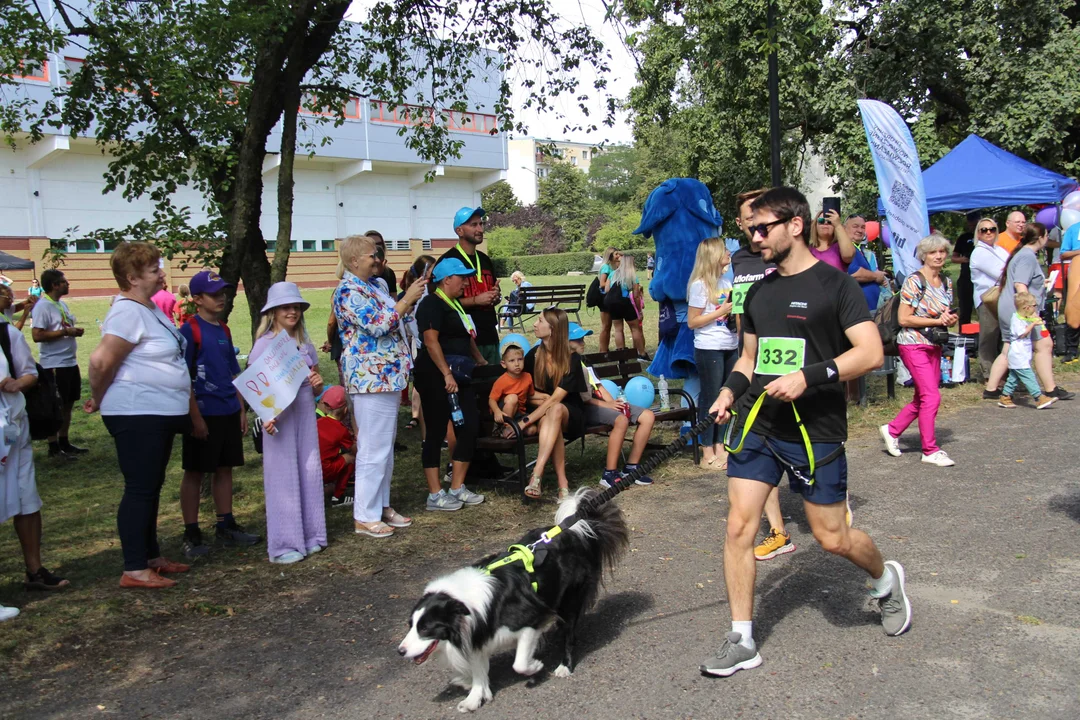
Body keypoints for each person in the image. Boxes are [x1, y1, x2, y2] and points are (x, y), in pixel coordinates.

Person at [701, 187, 909, 678]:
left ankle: (884, 581)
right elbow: (749, 360)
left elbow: (870, 352)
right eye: (750, 229)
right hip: (760, 424)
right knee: (739, 526)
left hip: (815, 429)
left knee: (832, 537)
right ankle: (742, 638)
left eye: (762, 227)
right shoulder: (757, 290)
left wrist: (809, 376)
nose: (753, 236)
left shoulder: (836, 286)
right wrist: (730, 391)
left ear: (795, 225)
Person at [86, 242, 193, 589]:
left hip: (157, 412)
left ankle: (150, 556)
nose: (162, 274)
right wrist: (98, 397)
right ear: (131, 278)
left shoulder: (149, 307)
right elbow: (101, 362)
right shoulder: (127, 312)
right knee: (140, 488)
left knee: (151, 486)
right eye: (153, 270)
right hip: (136, 412)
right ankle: (134, 568)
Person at [333, 235, 427, 536]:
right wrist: (406, 299)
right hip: (368, 379)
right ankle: (364, 515)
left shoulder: (376, 286)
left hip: (388, 375)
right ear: (353, 261)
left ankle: (381, 505)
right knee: (373, 449)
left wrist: (409, 304)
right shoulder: (347, 291)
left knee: (384, 449)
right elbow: (379, 323)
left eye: (377, 254)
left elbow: (398, 320)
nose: (377, 258)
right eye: (371, 255)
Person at [177, 270, 259, 558]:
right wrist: (195, 417)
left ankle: (226, 524)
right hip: (203, 411)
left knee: (225, 468)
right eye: (214, 294)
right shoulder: (190, 330)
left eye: (223, 292)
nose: (221, 298)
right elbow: (182, 377)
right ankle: (191, 532)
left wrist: (240, 408)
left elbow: (232, 371)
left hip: (227, 409)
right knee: (196, 471)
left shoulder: (223, 329)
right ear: (197, 299)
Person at [731, 188, 794, 562]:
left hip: (797, 371)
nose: (756, 225)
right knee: (759, 452)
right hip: (753, 369)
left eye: (761, 216)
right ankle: (779, 531)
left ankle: (834, 507)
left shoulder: (788, 257)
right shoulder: (739, 260)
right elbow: (744, 315)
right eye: (748, 218)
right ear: (741, 223)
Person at [1, 298, 70, 602]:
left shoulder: (7, 334)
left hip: (13, 431)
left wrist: (18, 384)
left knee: (27, 499)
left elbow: (30, 373)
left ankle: (35, 570)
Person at [252, 282, 326, 564]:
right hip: (280, 418)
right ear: (273, 312)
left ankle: (311, 535)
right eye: (286, 307)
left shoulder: (305, 344)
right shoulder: (264, 345)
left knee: (309, 470)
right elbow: (257, 389)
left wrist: (318, 384)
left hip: (305, 412)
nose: (292, 312)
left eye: (295, 307)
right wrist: (266, 417)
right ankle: (283, 544)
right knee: (282, 477)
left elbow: (315, 382)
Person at [413, 258, 487, 512]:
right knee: (435, 431)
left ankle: (457, 487)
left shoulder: (455, 304)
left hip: (461, 373)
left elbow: (466, 336)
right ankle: (435, 494)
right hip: (435, 374)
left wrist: (479, 360)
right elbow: (431, 341)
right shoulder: (431, 304)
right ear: (446, 280)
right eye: (462, 277)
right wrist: (446, 374)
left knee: (469, 426)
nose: (466, 282)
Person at [879, 234, 959, 468]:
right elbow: (904, 318)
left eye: (942, 252)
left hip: (934, 343)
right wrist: (936, 321)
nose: (939, 256)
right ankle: (930, 449)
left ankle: (892, 429)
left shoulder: (946, 281)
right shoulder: (914, 281)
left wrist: (949, 319)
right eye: (933, 252)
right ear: (923, 255)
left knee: (923, 396)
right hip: (912, 343)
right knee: (932, 396)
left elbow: (945, 314)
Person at [567, 323, 656, 488]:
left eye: (583, 338)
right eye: (577, 340)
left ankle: (631, 467)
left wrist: (614, 403)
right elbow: (583, 399)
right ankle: (609, 473)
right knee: (620, 420)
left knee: (648, 416)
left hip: (601, 403)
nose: (583, 342)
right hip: (585, 408)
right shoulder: (568, 365)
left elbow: (599, 386)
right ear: (565, 342)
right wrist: (607, 405)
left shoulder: (584, 362)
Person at [993, 222, 1073, 402]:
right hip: (1022, 311)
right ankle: (1050, 389)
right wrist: (1030, 313)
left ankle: (992, 389)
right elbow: (1020, 285)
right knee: (1045, 345)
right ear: (1042, 237)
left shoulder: (1023, 254)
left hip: (1011, 308)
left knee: (1009, 348)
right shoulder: (1027, 256)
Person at [520, 308, 588, 501]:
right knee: (552, 419)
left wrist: (524, 421)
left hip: (571, 413)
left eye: (540, 321)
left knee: (556, 409)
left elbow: (555, 399)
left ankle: (537, 474)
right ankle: (563, 485)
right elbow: (525, 391)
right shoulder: (533, 356)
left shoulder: (571, 358)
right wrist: (536, 399)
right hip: (547, 417)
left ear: (553, 328)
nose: (534, 324)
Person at [687, 237, 737, 469]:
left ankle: (721, 445)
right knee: (710, 397)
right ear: (713, 255)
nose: (728, 253)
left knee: (728, 398)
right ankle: (706, 449)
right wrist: (722, 311)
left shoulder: (728, 280)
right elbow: (692, 321)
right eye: (724, 249)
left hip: (730, 344)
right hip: (709, 347)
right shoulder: (699, 285)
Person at [31, 269, 88, 459]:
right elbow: (37, 335)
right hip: (54, 363)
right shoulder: (42, 307)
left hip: (70, 361)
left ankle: (64, 441)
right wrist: (65, 333)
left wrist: (72, 331)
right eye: (64, 282)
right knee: (55, 405)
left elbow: (63, 326)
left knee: (69, 403)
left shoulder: (60, 304)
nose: (67, 284)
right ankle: (53, 447)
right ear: (54, 285)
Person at [433, 207, 501, 365]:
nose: (480, 229)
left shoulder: (485, 259)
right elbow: (440, 303)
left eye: (481, 224)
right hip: (463, 340)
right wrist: (476, 300)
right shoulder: (447, 262)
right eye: (473, 225)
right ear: (459, 230)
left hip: (490, 334)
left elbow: (490, 292)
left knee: (492, 384)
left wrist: (495, 296)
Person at [998, 291, 1058, 410]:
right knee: (1028, 376)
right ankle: (1039, 397)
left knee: (1014, 378)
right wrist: (1032, 324)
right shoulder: (1015, 319)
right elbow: (1021, 333)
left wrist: (1035, 321)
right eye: (1034, 306)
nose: (1036, 308)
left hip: (1023, 354)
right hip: (1017, 353)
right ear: (1027, 307)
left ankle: (1005, 397)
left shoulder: (1023, 317)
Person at [970, 217, 1010, 390]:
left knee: (1002, 336)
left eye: (992, 229)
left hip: (1002, 297)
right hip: (987, 298)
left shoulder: (999, 250)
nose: (988, 233)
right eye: (983, 230)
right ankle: (988, 373)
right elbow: (1001, 273)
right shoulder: (979, 252)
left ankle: (1003, 374)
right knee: (989, 336)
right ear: (978, 233)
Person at [316, 385, 356, 505]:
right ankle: (338, 497)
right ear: (345, 410)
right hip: (326, 470)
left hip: (312, 469)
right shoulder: (341, 429)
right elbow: (353, 450)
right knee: (350, 459)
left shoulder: (317, 422)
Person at [604, 253, 648, 359]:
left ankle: (621, 355)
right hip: (624, 302)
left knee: (618, 329)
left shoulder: (613, 274)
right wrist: (639, 311)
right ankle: (641, 353)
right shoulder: (632, 276)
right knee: (635, 328)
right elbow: (636, 296)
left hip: (611, 303)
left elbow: (606, 290)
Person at [488, 343, 536, 439]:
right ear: (503, 364)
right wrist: (497, 411)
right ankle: (503, 428)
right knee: (513, 398)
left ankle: (513, 430)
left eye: (520, 359)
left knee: (532, 430)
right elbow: (491, 399)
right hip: (503, 413)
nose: (517, 364)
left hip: (519, 413)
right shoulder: (502, 381)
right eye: (512, 361)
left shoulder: (527, 377)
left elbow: (530, 395)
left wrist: (547, 397)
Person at [951, 213, 979, 325]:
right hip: (966, 278)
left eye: (975, 224)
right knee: (965, 310)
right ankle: (964, 334)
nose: (973, 227)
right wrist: (964, 259)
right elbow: (954, 258)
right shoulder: (964, 238)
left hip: (981, 279)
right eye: (971, 224)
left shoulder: (986, 237)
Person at [1059, 219, 1080, 363]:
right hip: (1077, 268)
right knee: (1074, 307)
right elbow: (1063, 253)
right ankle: (1071, 349)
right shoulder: (1074, 229)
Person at [597, 246, 626, 353]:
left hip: (611, 298)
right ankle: (602, 351)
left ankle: (605, 350)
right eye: (616, 254)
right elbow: (602, 284)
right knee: (606, 326)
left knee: (609, 326)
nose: (618, 256)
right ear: (610, 256)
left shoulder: (613, 267)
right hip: (605, 298)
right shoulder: (606, 267)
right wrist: (613, 282)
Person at [364, 230, 399, 297]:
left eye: (379, 244)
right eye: (372, 244)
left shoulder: (389, 273)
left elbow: (394, 302)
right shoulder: (359, 274)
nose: (376, 248)